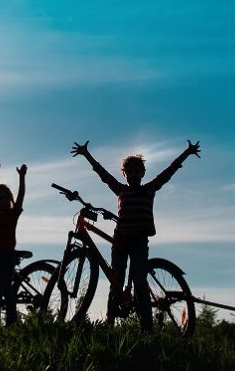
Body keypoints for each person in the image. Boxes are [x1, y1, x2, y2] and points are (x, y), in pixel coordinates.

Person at [71, 139, 200, 330]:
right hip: (120, 239)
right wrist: (86, 155)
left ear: (143, 173)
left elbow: (169, 171)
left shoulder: (149, 189)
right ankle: (110, 321)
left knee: (140, 281)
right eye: (129, 171)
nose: (133, 174)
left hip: (139, 240)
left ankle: (147, 328)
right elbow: (103, 175)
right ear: (124, 174)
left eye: (137, 171)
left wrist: (187, 153)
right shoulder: (120, 189)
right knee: (116, 280)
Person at [0, 162, 27, 326]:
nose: (2, 201)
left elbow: (21, 196)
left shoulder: (12, 214)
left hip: (7, 255)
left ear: (9, 200)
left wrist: (22, 178)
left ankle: (11, 321)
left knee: (7, 289)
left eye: (5, 198)